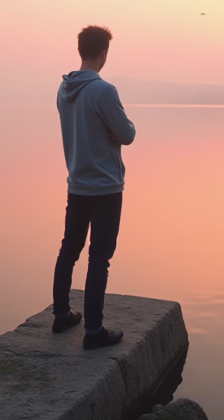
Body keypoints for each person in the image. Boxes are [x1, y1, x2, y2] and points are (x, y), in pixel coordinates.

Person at [52, 25, 136, 350]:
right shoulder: (103, 91)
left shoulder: (64, 89)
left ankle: (61, 315)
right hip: (105, 188)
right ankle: (93, 331)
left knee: (68, 250)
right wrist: (113, 132)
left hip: (77, 185)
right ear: (104, 53)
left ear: (80, 51)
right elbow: (127, 134)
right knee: (99, 258)